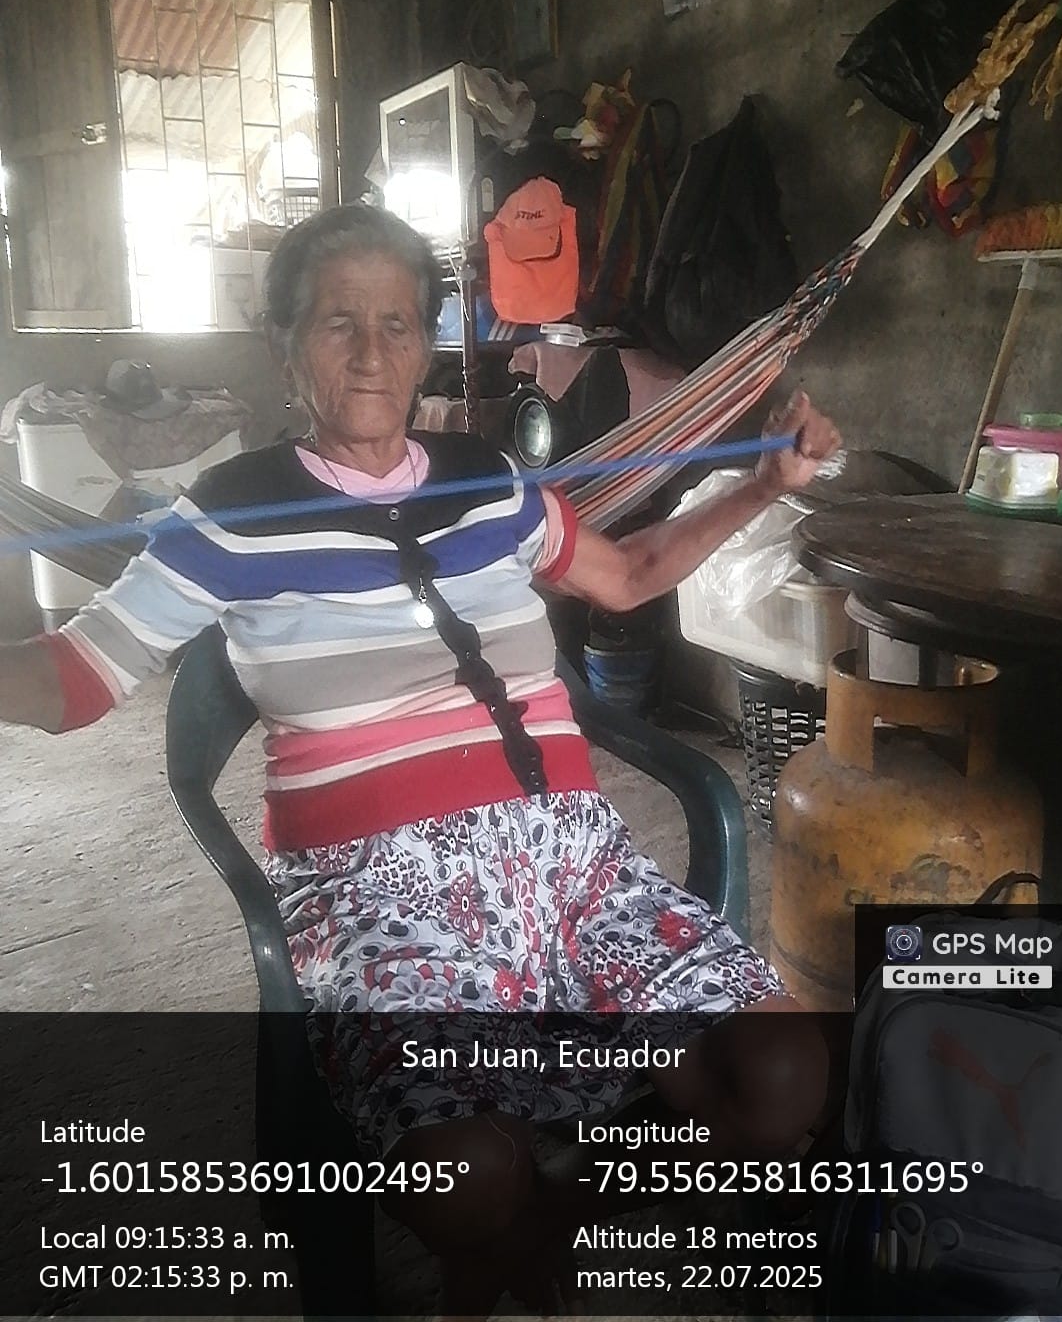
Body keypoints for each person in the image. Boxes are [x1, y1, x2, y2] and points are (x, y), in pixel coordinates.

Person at [0, 203, 841, 1315]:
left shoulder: (487, 480)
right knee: (460, 1174)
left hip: (574, 870)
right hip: (379, 892)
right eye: (336, 322)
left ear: (425, 341)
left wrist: (764, 485)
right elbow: (74, 676)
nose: (369, 352)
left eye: (396, 324)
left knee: (782, 1074)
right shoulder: (230, 518)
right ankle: (509, 1236)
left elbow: (631, 574)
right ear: (286, 346)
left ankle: (539, 1226)